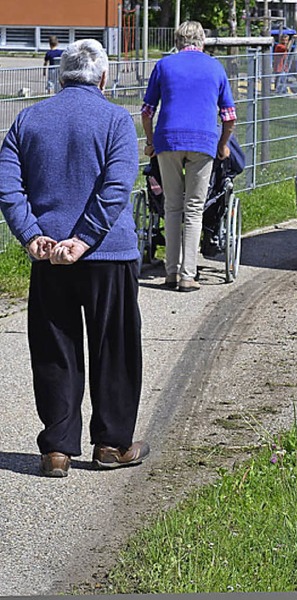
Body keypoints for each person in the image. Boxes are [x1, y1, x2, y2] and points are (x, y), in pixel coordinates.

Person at [0, 39, 149, 478]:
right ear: (103, 77)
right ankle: (111, 443)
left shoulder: (28, 119)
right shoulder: (116, 120)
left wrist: (31, 236)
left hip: (48, 256)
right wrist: (84, 240)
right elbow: (117, 188)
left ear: (60, 75)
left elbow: (8, 186)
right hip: (109, 254)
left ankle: (58, 449)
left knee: (54, 349)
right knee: (115, 348)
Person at [141, 20, 236, 292]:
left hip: (168, 140)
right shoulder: (215, 67)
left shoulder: (164, 65)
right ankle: (188, 275)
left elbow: (146, 111)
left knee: (172, 205)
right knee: (194, 207)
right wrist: (223, 145)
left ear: (177, 41)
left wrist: (150, 142)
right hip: (203, 142)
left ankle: (170, 273)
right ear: (202, 41)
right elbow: (229, 117)